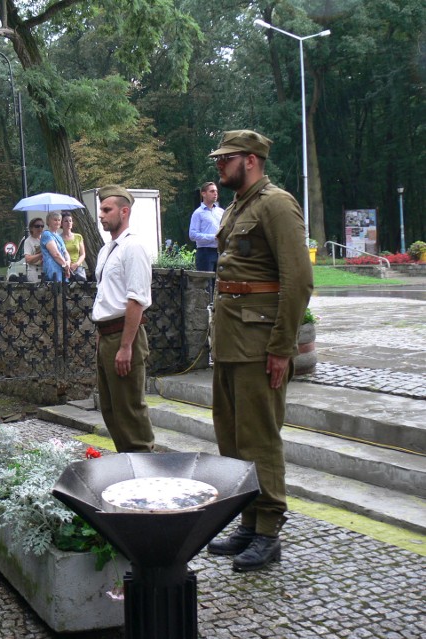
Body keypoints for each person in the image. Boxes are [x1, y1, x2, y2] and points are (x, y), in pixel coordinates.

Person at [205, 130, 313, 572]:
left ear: (250, 160)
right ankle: (248, 521)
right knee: (231, 437)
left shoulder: (276, 204)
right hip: (232, 341)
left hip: (259, 343)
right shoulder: (238, 207)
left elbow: (299, 280)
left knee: (260, 437)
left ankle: (268, 531)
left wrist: (282, 348)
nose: (218, 165)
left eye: (225, 158)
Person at [91, 185, 155, 453]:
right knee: (111, 410)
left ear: (124, 211)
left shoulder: (134, 247)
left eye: (107, 210)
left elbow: (136, 299)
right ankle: (128, 467)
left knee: (129, 409)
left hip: (124, 336)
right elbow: (107, 297)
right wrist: (101, 336)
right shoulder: (108, 250)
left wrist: (126, 346)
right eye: (101, 210)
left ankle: (145, 470)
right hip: (107, 336)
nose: (101, 215)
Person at [189, 182, 224, 272]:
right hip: (205, 253)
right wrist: (213, 237)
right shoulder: (198, 213)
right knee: (206, 284)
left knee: (219, 284)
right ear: (203, 194)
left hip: (220, 252)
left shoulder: (221, 212)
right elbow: (192, 235)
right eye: (212, 191)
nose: (215, 193)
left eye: (216, 191)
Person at [40, 211, 71, 282]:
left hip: (62, 270)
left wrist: (68, 262)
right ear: (49, 222)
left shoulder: (59, 236)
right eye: (55, 220)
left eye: (59, 220)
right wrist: (65, 265)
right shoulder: (47, 234)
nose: (57, 222)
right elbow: (55, 254)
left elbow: (65, 252)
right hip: (53, 271)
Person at [60, 212, 87, 281]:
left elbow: (83, 254)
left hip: (77, 268)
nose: (68, 223)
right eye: (66, 221)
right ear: (61, 223)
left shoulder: (78, 236)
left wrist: (76, 264)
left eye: (70, 221)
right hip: (64, 268)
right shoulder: (58, 238)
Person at [23, 217, 44, 282]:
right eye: (37, 226)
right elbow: (28, 259)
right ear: (31, 228)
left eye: (42, 226)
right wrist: (41, 254)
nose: (40, 228)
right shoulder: (28, 241)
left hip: (45, 269)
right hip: (35, 271)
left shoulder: (45, 239)